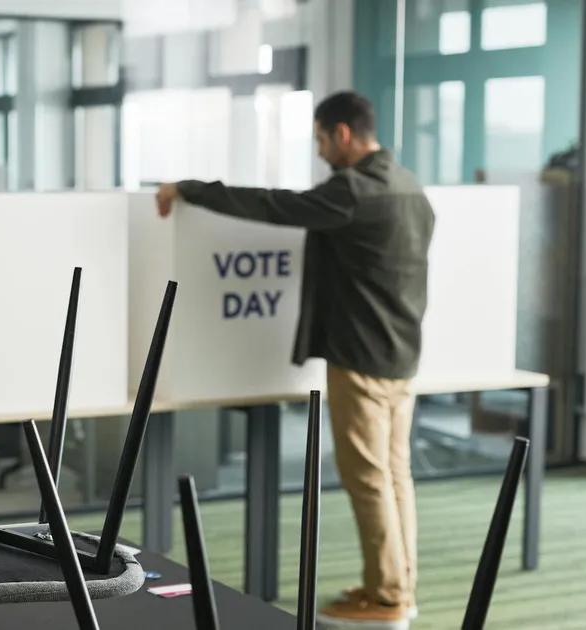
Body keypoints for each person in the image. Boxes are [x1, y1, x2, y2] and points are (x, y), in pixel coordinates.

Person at [156, 91, 433, 629]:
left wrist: (188, 189)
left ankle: (386, 601)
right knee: (394, 475)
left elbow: (272, 205)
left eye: (322, 139)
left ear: (343, 133)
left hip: (361, 357)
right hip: (402, 354)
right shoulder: (407, 185)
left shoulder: (352, 192)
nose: (320, 151)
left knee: (368, 478)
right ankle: (397, 585)